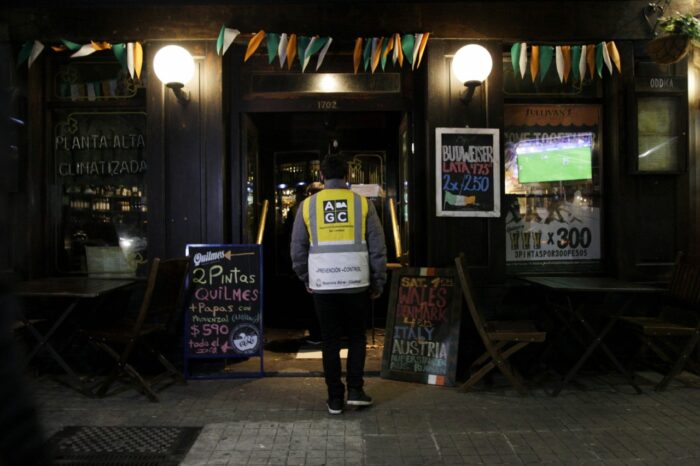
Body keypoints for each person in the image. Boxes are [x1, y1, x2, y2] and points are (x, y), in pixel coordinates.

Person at [290, 154, 387, 415]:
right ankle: (355, 390)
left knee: (330, 341)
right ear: (348, 176)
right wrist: (378, 280)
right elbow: (378, 247)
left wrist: (306, 277)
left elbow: (297, 249)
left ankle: (334, 399)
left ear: (321, 176)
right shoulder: (363, 204)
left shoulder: (307, 206)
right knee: (357, 337)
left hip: (323, 284)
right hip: (357, 282)